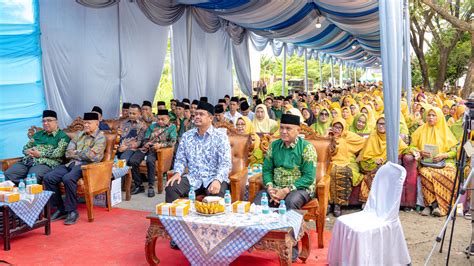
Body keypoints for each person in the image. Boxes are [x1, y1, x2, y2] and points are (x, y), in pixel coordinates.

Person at [166, 102, 232, 249]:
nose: (197, 117)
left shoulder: (220, 137)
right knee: (172, 187)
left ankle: (213, 235)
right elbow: (181, 158)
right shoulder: (187, 136)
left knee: (216, 195)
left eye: (201, 114)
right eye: (195, 114)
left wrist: (217, 180)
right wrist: (177, 172)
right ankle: (178, 233)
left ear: (210, 118)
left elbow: (225, 163)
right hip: (193, 178)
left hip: (214, 178)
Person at [253, 113, 317, 262]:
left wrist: (286, 190)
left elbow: (308, 177)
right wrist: (269, 188)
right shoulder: (274, 146)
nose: (283, 131)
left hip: (300, 189)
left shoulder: (307, 148)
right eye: (281, 128)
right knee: (257, 202)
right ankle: (258, 242)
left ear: (298, 130)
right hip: (275, 188)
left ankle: (291, 248)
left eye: (288, 128)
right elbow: (267, 170)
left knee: (290, 203)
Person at [44, 112, 106, 225]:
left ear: (97, 123)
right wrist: (80, 153)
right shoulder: (79, 134)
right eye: (85, 122)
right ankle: (60, 208)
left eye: (89, 123)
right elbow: (68, 153)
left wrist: (76, 152)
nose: (86, 125)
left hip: (87, 166)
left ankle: (72, 211)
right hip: (71, 164)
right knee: (49, 177)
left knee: (68, 178)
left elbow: (91, 156)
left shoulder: (100, 138)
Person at [412, 107, 458, 217]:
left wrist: (444, 155)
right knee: (425, 173)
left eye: (434, 115)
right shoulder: (420, 130)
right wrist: (420, 152)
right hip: (427, 164)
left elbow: (454, 151)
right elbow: (411, 146)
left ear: (439, 117)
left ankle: (441, 206)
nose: (431, 117)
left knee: (451, 174)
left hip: (444, 163)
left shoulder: (446, 131)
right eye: (429, 115)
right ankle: (432, 205)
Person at [5, 110, 70, 184]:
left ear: (56, 122)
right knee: (8, 174)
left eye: (49, 120)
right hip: (28, 161)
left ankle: (27, 189)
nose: (46, 123)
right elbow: (25, 148)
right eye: (43, 121)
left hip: (46, 163)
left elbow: (58, 153)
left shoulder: (63, 136)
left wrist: (40, 154)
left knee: (32, 178)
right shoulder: (38, 134)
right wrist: (28, 151)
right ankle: (20, 188)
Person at [357, 116, 410, 202]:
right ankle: (371, 202)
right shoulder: (372, 136)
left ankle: (381, 202)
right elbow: (365, 157)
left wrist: (414, 152)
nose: (381, 126)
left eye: (384, 124)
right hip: (372, 165)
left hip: (386, 165)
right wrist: (375, 160)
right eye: (379, 124)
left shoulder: (393, 137)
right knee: (370, 176)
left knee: (383, 174)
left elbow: (405, 148)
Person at [128, 109, 177, 197]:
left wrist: (161, 145)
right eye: (158, 119)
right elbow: (146, 137)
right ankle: (139, 185)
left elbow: (173, 142)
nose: (160, 121)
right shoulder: (152, 126)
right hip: (147, 148)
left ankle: (151, 186)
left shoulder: (172, 127)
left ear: (168, 119)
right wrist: (147, 143)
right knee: (132, 161)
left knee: (150, 161)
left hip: (158, 151)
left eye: (163, 119)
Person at [328, 118, 366, 217]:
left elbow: (365, 143)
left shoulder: (348, 136)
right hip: (330, 162)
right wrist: (326, 136)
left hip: (346, 161)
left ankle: (338, 204)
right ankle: (328, 203)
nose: (337, 129)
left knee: (342, 173)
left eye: (340, 127)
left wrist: (358, 157)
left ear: (343, 128)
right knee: (327, 173)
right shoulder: (328, 136)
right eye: (335, 127)